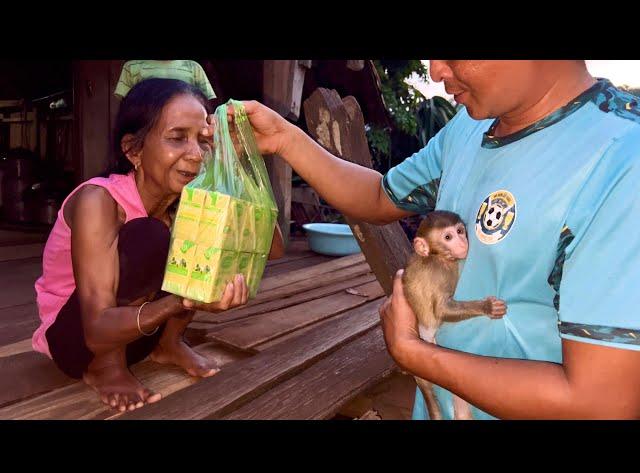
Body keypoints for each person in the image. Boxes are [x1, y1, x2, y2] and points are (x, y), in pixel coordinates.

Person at [227, 60, 640, 419]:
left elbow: (602, 403)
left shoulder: (622, 160)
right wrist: (285, 138)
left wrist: (414, 354)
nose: (436, 71)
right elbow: (377, 195)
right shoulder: (468, 129)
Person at [32, 78, 284, 413]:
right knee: (150, 237)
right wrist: (178, 302)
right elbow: (94, 328)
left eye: (204, 141)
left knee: (200, 237)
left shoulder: (187, 202)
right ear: (133, 150)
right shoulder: (99, 200)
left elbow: (273, 248)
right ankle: (108, 369)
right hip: (81, 343)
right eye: (177, 138)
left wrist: (236, 162)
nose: (196, 155)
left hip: (140, 332)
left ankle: (168, 345)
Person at [114, 60, 216, 100]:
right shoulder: (132, 66)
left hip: (186, 126)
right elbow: (126, 106)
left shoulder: (193, 67)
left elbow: (206, 104)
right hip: (146, 128)